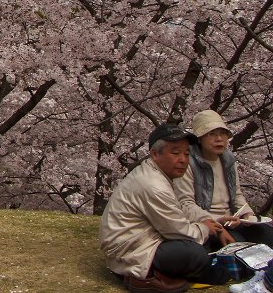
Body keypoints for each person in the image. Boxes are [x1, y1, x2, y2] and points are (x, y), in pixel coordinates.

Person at [100, 123, 233, 292]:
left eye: (187, 153)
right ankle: (143, 277)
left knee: (201, 244)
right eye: (175, 153)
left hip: (141, 240)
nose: (183, 159)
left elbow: (180, 208)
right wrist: (205, 229)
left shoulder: (160, 173)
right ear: (155, 154)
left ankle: (169, 272)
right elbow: (179, 231)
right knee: (195, 253)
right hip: (131, 251)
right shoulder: (153, 184)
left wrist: (210, 220)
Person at [174, 110, 273, 247]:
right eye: (212, 134)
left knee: (268, 235)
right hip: (207, 222)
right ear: (200, 138)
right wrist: (216, 219)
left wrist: (247, 215)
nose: (219, 138)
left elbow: (236, 194)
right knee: (242, 246)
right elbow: (185, 204)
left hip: (233, 220)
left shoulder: (228, 161)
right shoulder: (188, 164)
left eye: (223, 133)